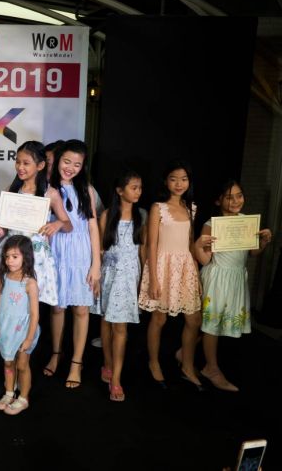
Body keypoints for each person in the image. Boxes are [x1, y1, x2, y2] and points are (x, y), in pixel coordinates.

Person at [0, 141, 71, 376]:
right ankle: (10, 353)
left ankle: (26, 351)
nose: (20, 167)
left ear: (40, 165)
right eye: (18, 162)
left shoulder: (50, 193)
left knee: (31, 306)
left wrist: (57, 224)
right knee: (11, 301)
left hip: (35, 258)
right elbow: (4, 227)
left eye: (26, 163)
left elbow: (68, 224)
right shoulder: (13, 192)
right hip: (12, 256)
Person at [193, 180, 273, 391]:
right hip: (218, 279)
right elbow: (204, 260)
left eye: (239, 195)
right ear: (218, 200)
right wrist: (198, 246)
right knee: (212, 324)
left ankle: (185, 351)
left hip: (236, 279)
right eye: (230, 197)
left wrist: (263, 242)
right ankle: (211, 368)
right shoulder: (212, 224)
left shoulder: (246, 222)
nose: (236, 201)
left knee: (216, 322)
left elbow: (251, 252)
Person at [138, 160, 202, 390]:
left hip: (185, 267)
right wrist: (153, 279)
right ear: (166, 181)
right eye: (174, 179)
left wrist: (196, 274)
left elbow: (190, 244)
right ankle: (153, 362)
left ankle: (187, 365)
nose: (179, 184)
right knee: (159, 319)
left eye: (184, 179)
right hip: (162, 267)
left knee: (194, 320)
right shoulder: (158, 208)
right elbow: (151, 245)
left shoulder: (191, 207)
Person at [45, 140, 101, 389]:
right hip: (56, 251)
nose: (70, 168)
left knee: (80, 310)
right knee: (57, 308)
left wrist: (96, 264)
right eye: (66, 161)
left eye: (77, 164)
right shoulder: (46, 188)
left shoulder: (86, 189)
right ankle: (56, 354)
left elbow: (92, 226)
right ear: (58, 160)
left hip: (80, 253)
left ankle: (76, 363)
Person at [92, 170, 146, 401]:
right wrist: (96, 276)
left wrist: (144, 280)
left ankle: (116, 380)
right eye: (134, 187)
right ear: (120, 190)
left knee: (121, 327)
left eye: (140, 187)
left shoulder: (141, 216)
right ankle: (107, 363)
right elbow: (100, 249)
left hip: (129, 276)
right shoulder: (107, 216)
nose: (138, 192)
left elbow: (143, 250)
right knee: (106, 321)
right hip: (109, 275)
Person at [0, 235, 40, 415]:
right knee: (8, 363)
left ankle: (23, 397)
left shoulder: (30, 283)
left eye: (14, 257)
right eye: (7, 257)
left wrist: (29, 338)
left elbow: (35, 314)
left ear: (25, 257)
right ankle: (9, 392)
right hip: (6, 329)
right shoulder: (3, 277)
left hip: (23, 331)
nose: (9, 261)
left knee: (22, 365)